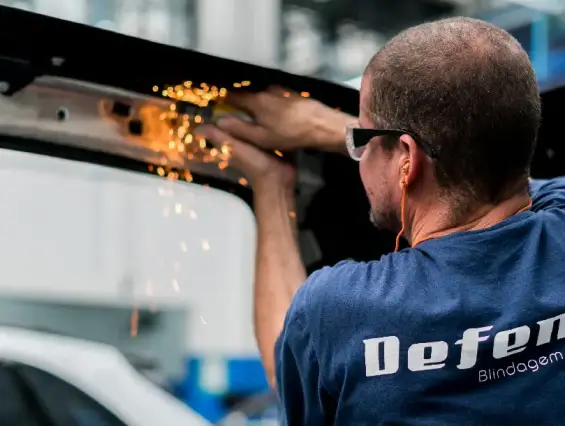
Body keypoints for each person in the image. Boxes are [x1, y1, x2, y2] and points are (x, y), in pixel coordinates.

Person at [196, 17, 565, 425]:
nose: (359, 155)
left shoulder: (339, 309)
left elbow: (287, 370)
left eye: (361, 140)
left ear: (407, 160)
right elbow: (491, 154)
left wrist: (271, 185)